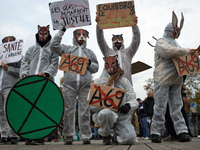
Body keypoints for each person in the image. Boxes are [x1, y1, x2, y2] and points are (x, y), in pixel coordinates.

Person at [151, 11, 200, 143]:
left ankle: (182, 131)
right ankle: (155, 132)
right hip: (162, 78)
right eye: (175, 31)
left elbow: (183, 58)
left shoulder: (177, 44)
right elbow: (168, 52)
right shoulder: (161, 42)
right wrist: (187, 51)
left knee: (176, 106)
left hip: (176, 79)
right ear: (171, 30)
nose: (177, 34)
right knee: (160, 106)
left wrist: (193, 55)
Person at [50, 27, 99, 145]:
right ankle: (68, 135)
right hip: (69, 84)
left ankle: (86, 136)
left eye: (84, 34)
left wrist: (89, 64)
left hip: (85, 85)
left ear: (87, 37)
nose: (81, 36)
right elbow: (54, 45)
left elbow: (96, 68)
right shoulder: (67, 49)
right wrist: (62, 30)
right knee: (68, 110)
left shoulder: (90, 52)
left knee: (85, 111)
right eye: (78, 34)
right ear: (74, 36)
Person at [20, 25, 59, 145]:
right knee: (30, 109)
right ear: (38, 33)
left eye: (45, 33)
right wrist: (24, 74)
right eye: (41, 34)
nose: (43, 36)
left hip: (45, 83)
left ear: (48, 34)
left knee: (42, 109)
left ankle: (40, 136)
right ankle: (29, 134)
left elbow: (54, 65)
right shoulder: (31, 49)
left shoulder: (53, 50)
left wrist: (46, 73)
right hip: (31, 83)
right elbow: (25, 62)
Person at [90, 55, 138, 145]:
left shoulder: (124, 82)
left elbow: (132, 99)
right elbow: (92, 106)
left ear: (117, 64)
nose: (110, 67)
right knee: (106, 113)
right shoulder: (99, 82)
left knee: (130, 139)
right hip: (106, 116)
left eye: (113, 63)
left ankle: (115, 136)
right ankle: (106, 134)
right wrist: (101, 104)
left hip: (122, 117)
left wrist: (128, 106)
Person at [95, 14, 140, 85]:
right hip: (111, 83)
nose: (117, 41)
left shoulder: (128, 53)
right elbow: (101, 40)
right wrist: (99, 25)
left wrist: (134, 26)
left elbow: (136, 41)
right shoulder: (108, 52)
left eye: (119, 39)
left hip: (126, 83)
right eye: (114, 39)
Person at [0, 36, 21, 145]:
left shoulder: (18, 57)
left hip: (10, 85)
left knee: (10, 110)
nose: (8, 43)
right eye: (5, 41)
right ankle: (4, 135)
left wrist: (8, 68)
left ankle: (14, 135)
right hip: (0, 86)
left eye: (10, 41)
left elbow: (21, 72)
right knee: (1, 112)